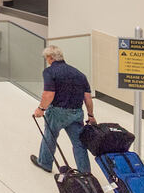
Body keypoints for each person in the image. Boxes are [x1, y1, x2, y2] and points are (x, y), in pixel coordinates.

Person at [29, 44, 95, 174]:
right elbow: (87, 97)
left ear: (50, 57)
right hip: (76, 113)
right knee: (79, 143)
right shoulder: (79, 74)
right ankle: (85, 172)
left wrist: (41, 109)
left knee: (50, 136)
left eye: (47, 58)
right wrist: (91, 115)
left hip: (57, 112)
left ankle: (45, 163)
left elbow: (49, 94)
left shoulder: (49, 72)